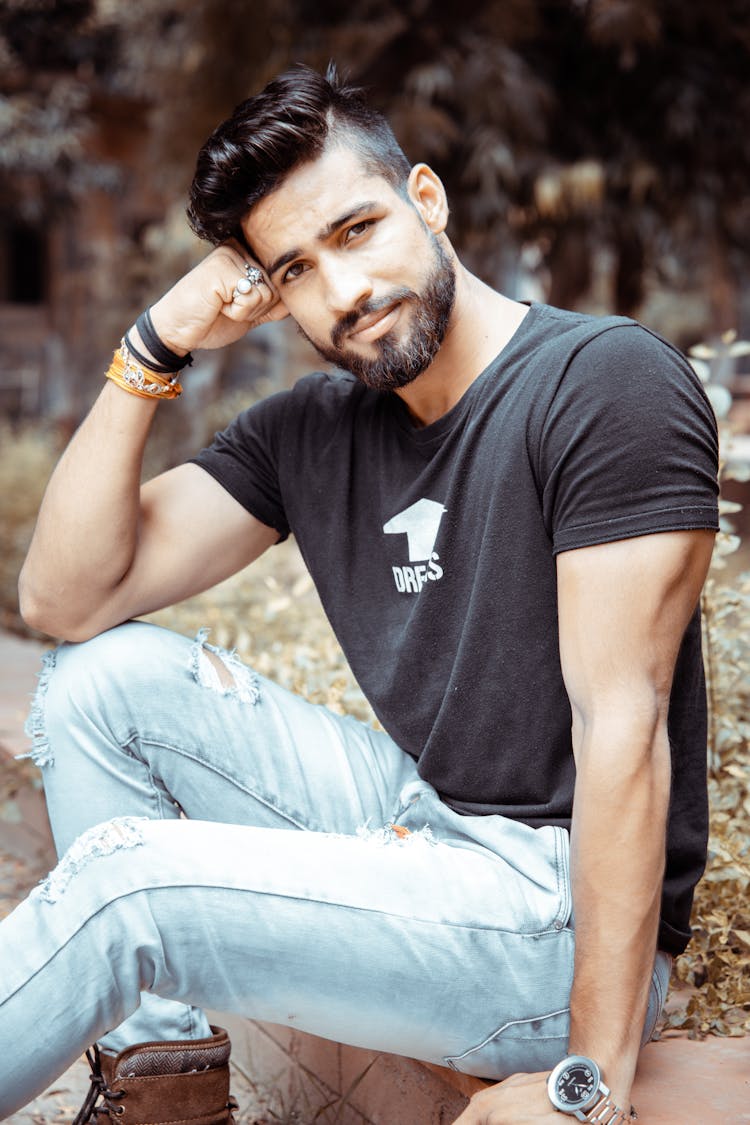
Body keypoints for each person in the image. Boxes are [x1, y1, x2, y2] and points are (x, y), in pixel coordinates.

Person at [0, 64, 718, 1125]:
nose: (342, 293)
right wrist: (157, 342)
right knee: (100, 682)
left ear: (426, 200)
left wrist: (587, 1088)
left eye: (355, 231)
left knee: (129, 882)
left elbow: (625, 732)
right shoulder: (315, 429)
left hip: (548, 917)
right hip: (417, 826)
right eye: (294, 270)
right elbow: (65, 599)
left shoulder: (605, 384)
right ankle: (165, 1092)